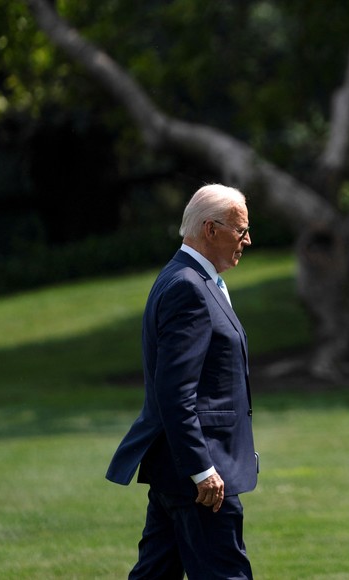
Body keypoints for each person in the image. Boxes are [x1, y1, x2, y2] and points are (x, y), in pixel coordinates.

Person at [106, 184, 258, 579]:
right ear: (211, 229)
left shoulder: (186, 278)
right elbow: (175, 392)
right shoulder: (189, 287)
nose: (247, 240)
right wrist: (202, 469)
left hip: (177, 473)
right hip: (200, 479)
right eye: (241, 230)